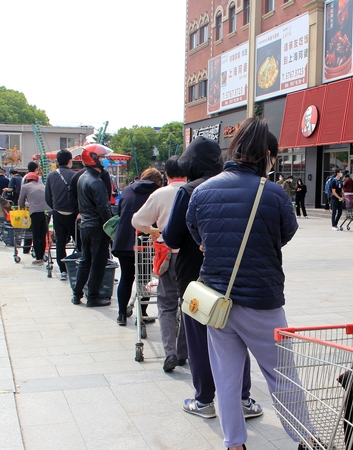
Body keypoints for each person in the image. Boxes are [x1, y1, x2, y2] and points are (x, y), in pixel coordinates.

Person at [186, 118, 298, 450]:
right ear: (266, 154)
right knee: (282, 377)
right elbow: (286, 233)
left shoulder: (202, 191)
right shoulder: (274, 193)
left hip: (217, 302)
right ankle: (303, 438)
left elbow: (197, 234)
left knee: (227, 377)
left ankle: (234, 443)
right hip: (262, 299)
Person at [163, 136, 260, 422]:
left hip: (196, 278)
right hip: (235, 277)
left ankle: (204, 400)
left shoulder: (189, 191)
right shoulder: (240, 185)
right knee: (235, 337)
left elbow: (172, 237)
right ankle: (242, 399)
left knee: (199, 339)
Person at [131, 157, 188, 371]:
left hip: (166, 255)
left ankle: (170, 352)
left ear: (166, 175)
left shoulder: (160, 194)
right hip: (190, 257)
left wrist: (153, 230)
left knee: (166, 305)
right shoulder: (196, 190)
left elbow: (137, 220)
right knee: (188, 305)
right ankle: (183, 351)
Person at [112, 168, 162, 326]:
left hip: (124, 240)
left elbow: (120, 212)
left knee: (126, 277)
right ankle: (143, 313)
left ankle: (121, 314)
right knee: (145, 279)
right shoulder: (157, 193)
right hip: (145, 242)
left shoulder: (127, 190)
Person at [72, 144, 113, 307]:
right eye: (102, 157)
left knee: (85, 260)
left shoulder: (82, 177)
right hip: (97, 226)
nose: (104, 160)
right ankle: (93, 297)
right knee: (98, 263)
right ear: (94, 158)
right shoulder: (96, 181)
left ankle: (77, 293)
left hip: (86, 225)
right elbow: (103, 207)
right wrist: (111, 226)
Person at [46, 150, 78, 280]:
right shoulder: (75, 175)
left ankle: (63, 270)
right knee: (79, 240)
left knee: (60, 242)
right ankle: (78, 265)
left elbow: (47, 196)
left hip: (57, 212)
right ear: (70, 161)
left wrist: (54, 207)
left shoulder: (51, 175)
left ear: (57, 161)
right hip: (74, 213)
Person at [18, 172, 49, 266]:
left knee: (36, 235)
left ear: (27, 180)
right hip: (47, 212)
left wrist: (23, 207)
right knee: (42, 234)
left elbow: (20, 201)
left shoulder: (25, 187)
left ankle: (38, 258)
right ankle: (42, 255)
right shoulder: (42, 186)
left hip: (35, 212)